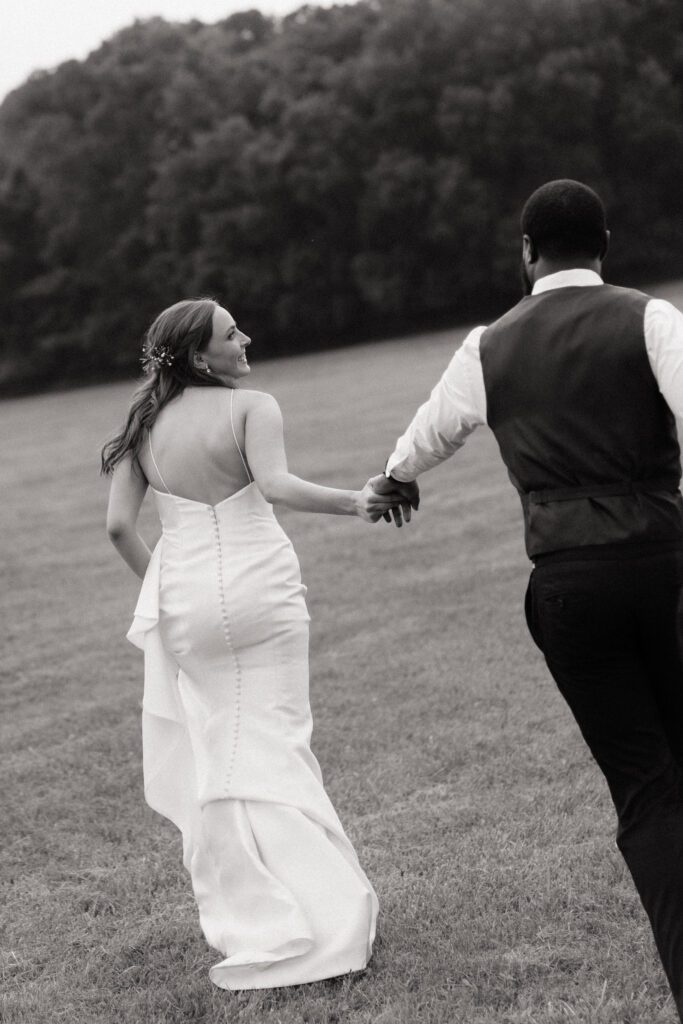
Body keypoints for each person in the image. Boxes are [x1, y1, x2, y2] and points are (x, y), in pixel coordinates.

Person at [369, 179, 683, 1016]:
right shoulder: (650, 318)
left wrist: (396, 478)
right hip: (663, 559)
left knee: (645, 784)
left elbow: (432, 430)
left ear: (525, 251)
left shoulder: (488, 344)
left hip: (570, 583)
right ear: (604, 243)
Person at [101, 298, 414, 989]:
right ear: (198, 357)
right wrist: (358, 502)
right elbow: (274, 486)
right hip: (260, 592)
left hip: (183, 603)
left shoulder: (141, 428)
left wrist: (168, 581)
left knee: (223, 749)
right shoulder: (251, 408)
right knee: (275, 739)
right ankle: (323, 915)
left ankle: (256, 913)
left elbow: (120, 527)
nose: (244, 339)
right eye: (229, 333)